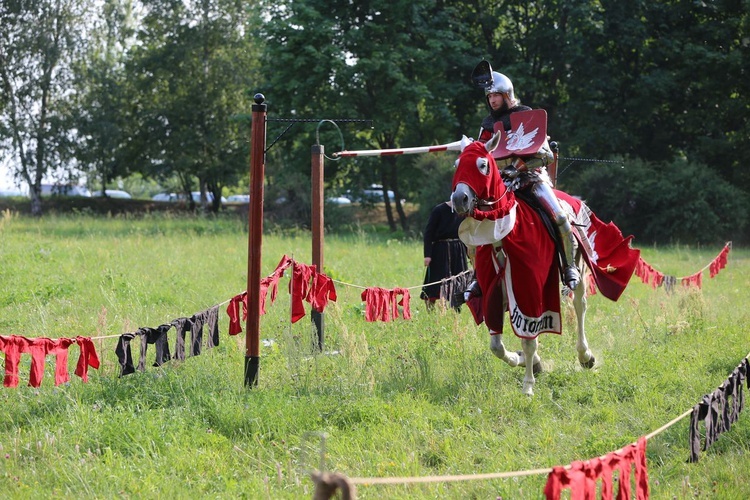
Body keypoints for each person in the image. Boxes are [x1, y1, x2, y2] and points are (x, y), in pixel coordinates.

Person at [472, 60, 580, 290]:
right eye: (489, 96)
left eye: (496, 95)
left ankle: (569, 265)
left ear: (507, 95)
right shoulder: (487, 124)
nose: (492, 100)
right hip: (499, 184)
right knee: (476, 221)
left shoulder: (526, 116)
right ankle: (476, 277)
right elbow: (481, 154)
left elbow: (546, 155)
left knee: (559, 217)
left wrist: (516, 168)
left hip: (530, 179)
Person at [420, 200, 470, 311]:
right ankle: (430, 309)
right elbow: (429, 233)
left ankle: (457, 310)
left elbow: (467, 232)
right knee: (436, 280)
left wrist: (469, 253)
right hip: (440, 250)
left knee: (459, 279)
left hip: (458, 249)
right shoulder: (439, 210)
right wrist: (427, 255)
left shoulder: (464, 211)